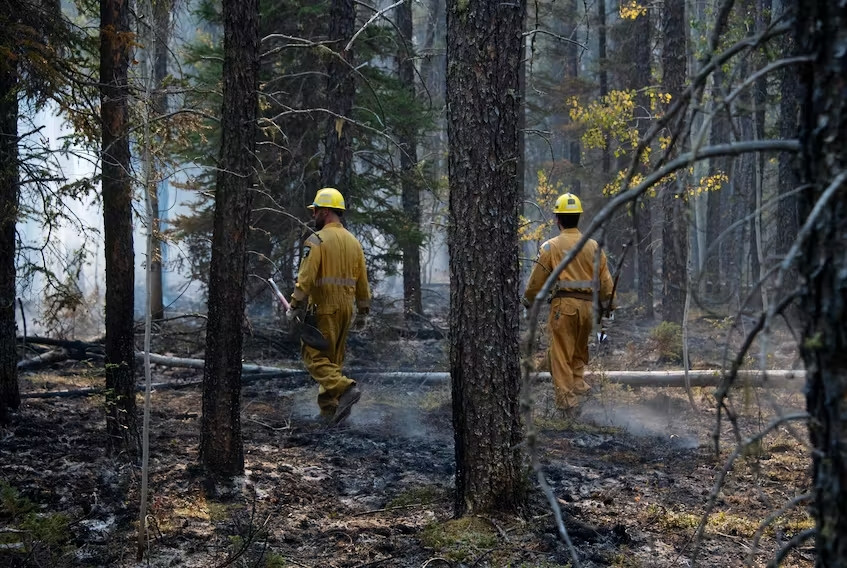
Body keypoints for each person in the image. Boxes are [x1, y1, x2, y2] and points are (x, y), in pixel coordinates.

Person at [522, 192, 613, 413]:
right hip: (589, 310)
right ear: (578, 217)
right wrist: (608, 307)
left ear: (557, 219)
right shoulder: (594, 247)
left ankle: (568, 405)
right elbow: (606, 282)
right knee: (579, 352)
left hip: (564, 309)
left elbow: (537, 282)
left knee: (561, 356)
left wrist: (529, 301)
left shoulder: (550, 247)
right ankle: (580, 388)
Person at [287, 187, 371, 426]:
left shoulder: (317, 240)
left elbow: (306, 277)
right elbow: (363, 281)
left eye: (315, 211)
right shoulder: (354, 242)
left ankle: (345, 389)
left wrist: (295, 304)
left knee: (314, 357)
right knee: (333, 361)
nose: (313, 215)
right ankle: (329, 411)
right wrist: (364, 310)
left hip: (323, 308)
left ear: (325, 211)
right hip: (346, 310)